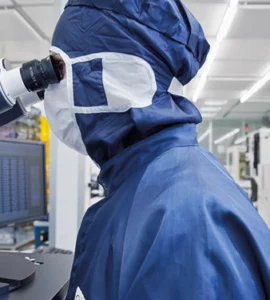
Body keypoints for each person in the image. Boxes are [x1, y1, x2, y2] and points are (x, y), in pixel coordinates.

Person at [44, 1, 270, 299]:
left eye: (58, 70)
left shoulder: (184, 220)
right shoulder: (151, 183)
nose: (49, 90)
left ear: (112, 76)